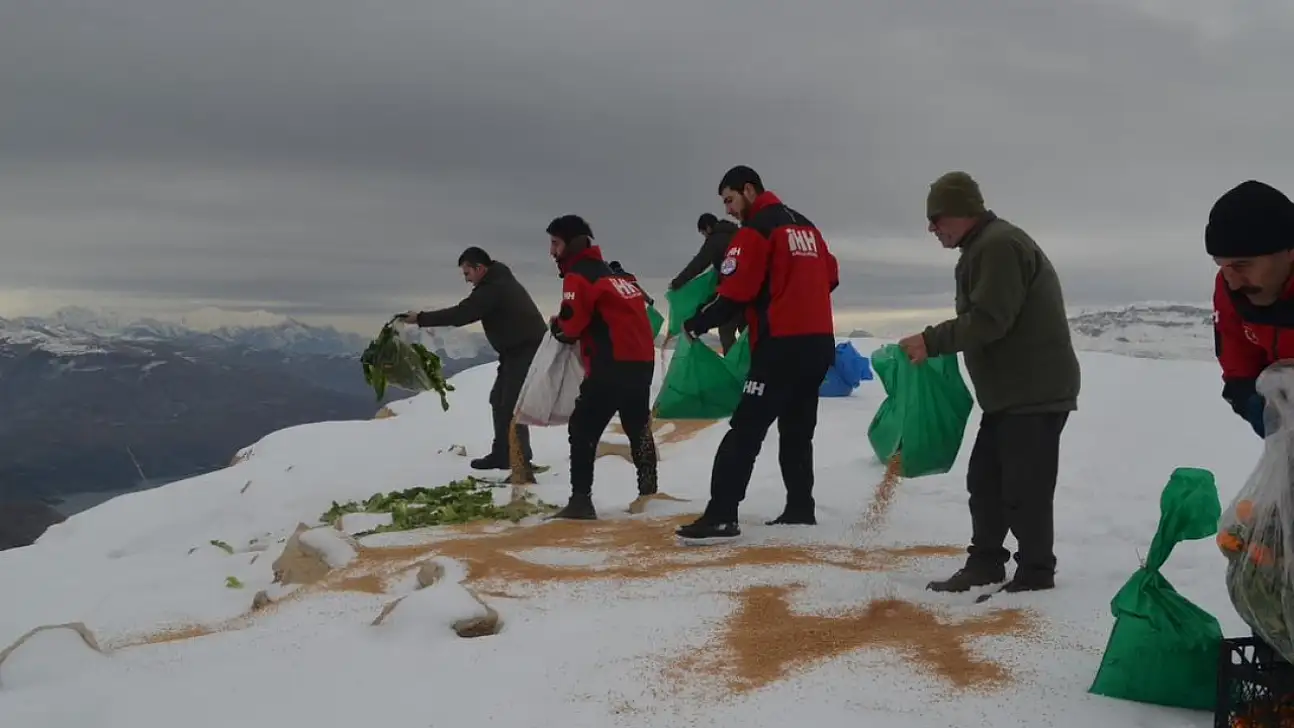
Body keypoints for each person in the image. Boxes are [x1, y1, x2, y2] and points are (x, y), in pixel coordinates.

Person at [897, 171, 1080, 595]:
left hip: (1034, 391)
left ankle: (1035, 572)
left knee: (1024, 487)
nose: (932, 229)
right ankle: (986, 563)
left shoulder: (999, 246)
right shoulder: (985, 246)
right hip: (1010, 395)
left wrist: (932, 341)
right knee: (986, 481)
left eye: (937, 218)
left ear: (962, 211)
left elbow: (990, 320)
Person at [674, 165, 839, 541]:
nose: (729, 210)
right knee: (797, 430)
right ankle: (800, 507)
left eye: (730, 200)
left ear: (749, 190)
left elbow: (736, 292)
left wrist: (696, 323)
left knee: (745, 430)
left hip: (780, 345)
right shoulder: (808, 228)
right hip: (818, 345)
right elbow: (830, 276)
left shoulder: (755, 232)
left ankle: (721, 516)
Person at [544, 215, 659, 520]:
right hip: (643, 363)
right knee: (638, 426)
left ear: (572, 243)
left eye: (555, 243)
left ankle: (581, 501)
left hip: (611, 365)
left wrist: (557, 327)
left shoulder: (579, 277)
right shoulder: (618, 276)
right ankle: (650, 494)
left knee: (582, 427)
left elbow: (572, 326)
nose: (551, 251)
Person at [397, 247, 546, 471]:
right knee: (499, 400)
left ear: (480, 268)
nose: (467, 280)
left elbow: (462, 314)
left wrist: (421, 318)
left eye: (467, 273)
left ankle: (520, 462)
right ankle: (503, 455)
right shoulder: (497, 282)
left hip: (527, 351)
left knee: (510, 405)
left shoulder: (493, 288)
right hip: (515, 352)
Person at [1208, 179, 1294, 438]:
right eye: (1221, 265)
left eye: (1242, 264)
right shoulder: (1229, 287)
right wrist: (1250, 401)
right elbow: (1237, 358)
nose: (1232, 281)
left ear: (1290, 250)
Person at [670, 213, 747, 354]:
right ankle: (753, 368)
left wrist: (677, 282)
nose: (704, 236)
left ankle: (735, 370)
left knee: (726, 331)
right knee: (747, 333)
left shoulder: (715, 240)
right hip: (751, 292)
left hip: (731, 293)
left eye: (703, 232)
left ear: (708, 227)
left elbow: (698, 264)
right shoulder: (739, 233)